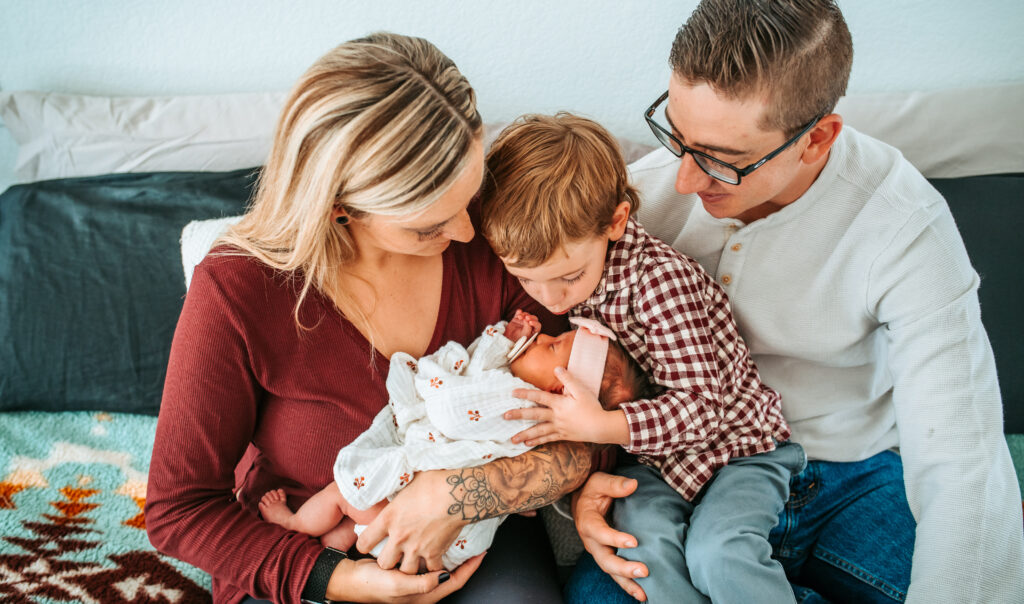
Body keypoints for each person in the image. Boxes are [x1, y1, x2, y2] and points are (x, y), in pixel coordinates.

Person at [567, 0, 1024, 604]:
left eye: (724, 162)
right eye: (677, 135)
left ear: (818, 140)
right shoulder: (633, 203)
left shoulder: (904, 225)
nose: (685, 183)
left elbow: (962, 457)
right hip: (686, 470)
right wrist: (587, 479)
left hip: (853, 474)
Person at [145, 32, 596, 604]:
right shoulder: (238, 289)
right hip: (306, 552)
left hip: (475, 538)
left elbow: (588, 436)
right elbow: (178, 509)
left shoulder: (502, 234)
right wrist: (338, 579)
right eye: (427, 226)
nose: (466, 233)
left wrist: (460, 495)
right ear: (337, 207)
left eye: (468, 196)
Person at [480, 112, 804, 603]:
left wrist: (601, 427)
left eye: (567, 278)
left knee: (719, 553)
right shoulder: (562, 273)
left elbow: (704, 410)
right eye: (527, 279)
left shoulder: (658, 284)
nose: (550, 300)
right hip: (660, 466)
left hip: (738, 451)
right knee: (639, 554)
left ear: (616, 222)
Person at [258, 311, 654, 570]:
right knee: (355, 527)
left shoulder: (516, 397)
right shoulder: (535, 405)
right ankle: (332, 557)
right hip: (451, 546)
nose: (541, 337)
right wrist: (505, 342)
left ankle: (295, 524)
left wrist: (496, 345)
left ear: (557, 388)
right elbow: (484, 370)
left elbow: (452, 403)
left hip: (422, 516)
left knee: (343, 494)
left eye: (551, 345)